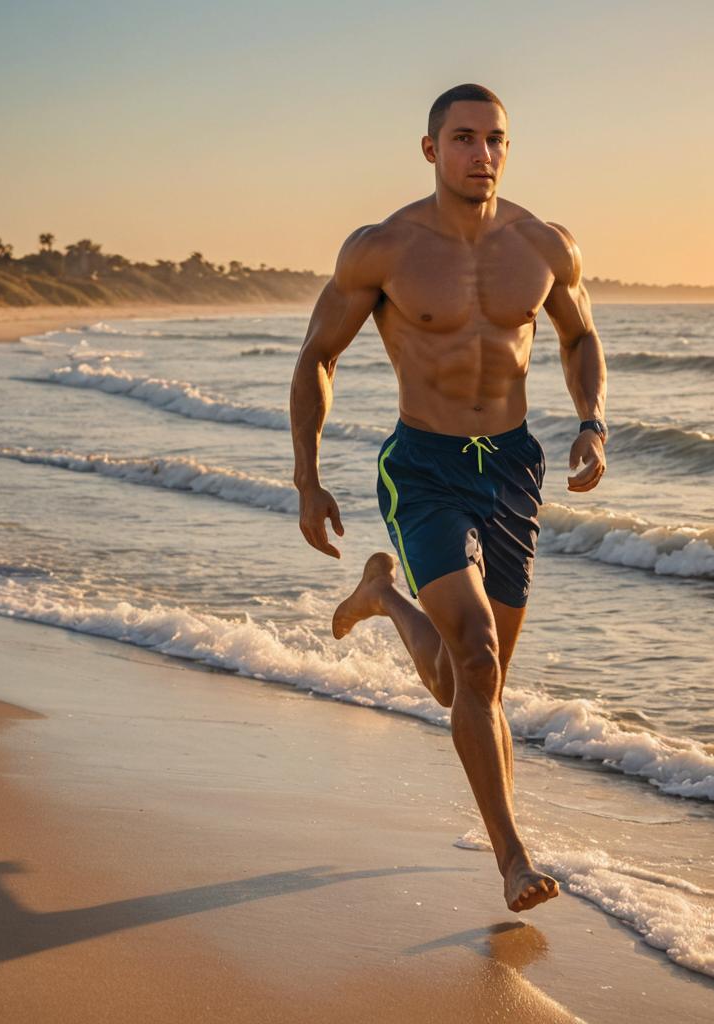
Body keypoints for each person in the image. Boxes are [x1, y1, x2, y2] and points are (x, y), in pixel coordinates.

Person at [289, 83, 608, 913]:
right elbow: (317, 356)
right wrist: (307, 475)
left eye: (496, 139)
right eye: (463, 139)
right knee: (474, 659)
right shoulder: (384, 249)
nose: (483, 155)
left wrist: (592, 420)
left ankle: (383, 596)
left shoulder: (544, 244)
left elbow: (578, 336)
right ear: (430, 149)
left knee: (471, 682)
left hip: (512, 468)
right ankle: (512, 858)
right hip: (424, 468)